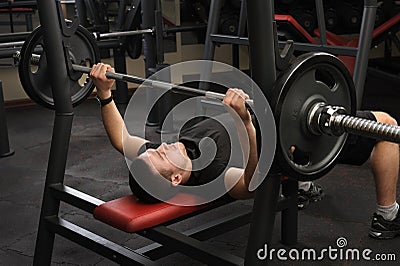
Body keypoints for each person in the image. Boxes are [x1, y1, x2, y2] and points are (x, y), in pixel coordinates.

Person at [90, 63, 400, 239]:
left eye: (154, 149)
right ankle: (387, 216)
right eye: (160, 156)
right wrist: (245, 125)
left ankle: (302, 185)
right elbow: (252, 184)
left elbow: (121, 139)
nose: (161, 146)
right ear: (175, 179)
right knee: (387, 126)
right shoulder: (214, 175)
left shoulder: (178, 148)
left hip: (273, 107)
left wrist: (104, 94)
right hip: (296, 134)